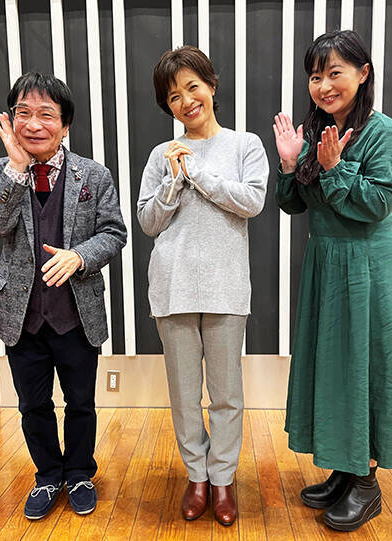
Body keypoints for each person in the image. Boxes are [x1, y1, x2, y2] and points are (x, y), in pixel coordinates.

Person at [273, 30, 392, 532]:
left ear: (363, 73)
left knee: (366, 366)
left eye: (335, 73)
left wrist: (333, 169)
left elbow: (376, 203)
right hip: (327, 262)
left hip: (370, 266)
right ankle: (345, 468)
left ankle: (367, 483)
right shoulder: (318, 129)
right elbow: (293, 204)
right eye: (316, 77)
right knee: (332, 365)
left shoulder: (385, 132)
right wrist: (291, 163)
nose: (324, 86)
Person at [0, 72, 126, 520]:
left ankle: (79, 473)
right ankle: (47, 476)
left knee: (81, 403)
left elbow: (114, 233)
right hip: (20, 316)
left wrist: (79, 257)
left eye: (46, 114)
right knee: (32, 405)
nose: (33, 124)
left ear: (65, 124)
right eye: (23, 113)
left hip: (76, 314)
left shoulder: (93, 174)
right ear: (11, 120)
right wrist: (16, 170)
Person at [138, 46, 268, 526]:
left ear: (211, 86)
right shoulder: (162, 155)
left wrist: (196, 172)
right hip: (172, 286)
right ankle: (196, 476)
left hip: (226, 287)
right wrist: (173, 180)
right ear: (167, 106)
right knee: (184, 393)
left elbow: (251, 201)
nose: (186, 101)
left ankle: (222, 479)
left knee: (227, 393)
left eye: (192, 87)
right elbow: (148, 222)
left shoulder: (245, 145)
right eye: (173, 96)